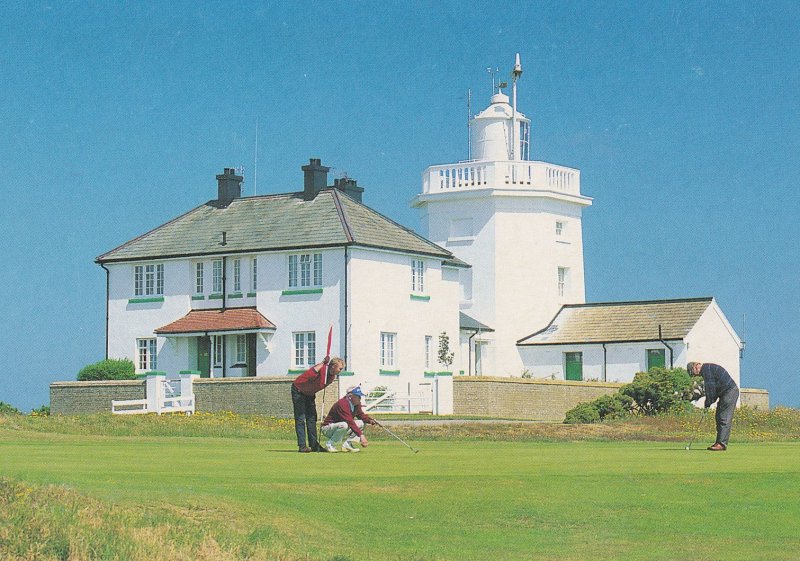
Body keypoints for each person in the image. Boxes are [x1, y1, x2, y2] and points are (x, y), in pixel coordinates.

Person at [291, 356, 344, 453]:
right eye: (340, 368)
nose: (341, 370)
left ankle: (314, 445)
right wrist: (323, 363)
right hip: (298, 390)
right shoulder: (320, 368)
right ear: (333, 366)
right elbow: (311, 373)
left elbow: (320, 385)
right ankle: (302, 446)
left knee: (312, 419)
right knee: (300, 418)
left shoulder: (331, 378)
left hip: (309, 394)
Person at [687, 361, 740, 451]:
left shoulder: (706, 370)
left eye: (693, 373)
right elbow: (713, 391)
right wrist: (709, 402)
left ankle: (721, 444)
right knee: (719, 416)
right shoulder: (707, 369)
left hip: (730, 392)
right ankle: (719, 442)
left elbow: (710, 389)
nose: (696, 376)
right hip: (726, 393)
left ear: (696, 366)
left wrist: (708, 403)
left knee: (723, 417)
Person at [321, 386, 378, 453]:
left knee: (361, 423)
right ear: (350, 396)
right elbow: (349, 421)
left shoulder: (357, 404)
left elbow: (361, 415)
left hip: (341, 427)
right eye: (358, 396)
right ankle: (329, 444)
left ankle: (348, 445)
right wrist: (361, 436)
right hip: (327, 429)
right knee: (344, 424)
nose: (360, 398)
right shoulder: (342, 403)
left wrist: (370, 420)